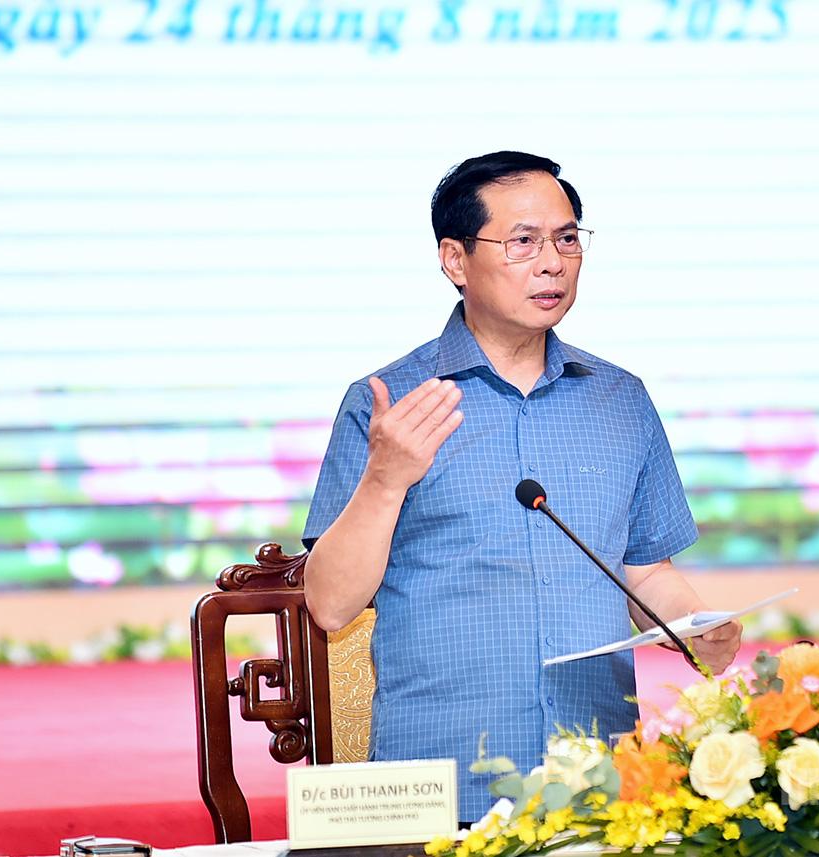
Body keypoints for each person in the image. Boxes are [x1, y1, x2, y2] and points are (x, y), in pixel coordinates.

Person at [302, 151, 741, 822]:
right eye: (523, 242)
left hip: (596, 781)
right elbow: (331, 605)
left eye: (567, 239)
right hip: (443, 787)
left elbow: (645, 570)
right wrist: (386, 480)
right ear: (455, 259)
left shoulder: (620, 400)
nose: (553, 263)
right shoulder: (390, 404)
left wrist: (695, 629)